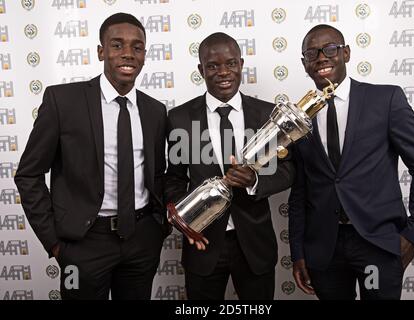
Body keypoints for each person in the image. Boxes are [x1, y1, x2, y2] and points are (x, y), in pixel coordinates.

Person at [14, 13, 170, 300]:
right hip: (82, 246)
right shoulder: (63, 101)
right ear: (101, 51)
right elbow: (28, 174)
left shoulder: (155, 111)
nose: (128, 54)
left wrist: (157, 229)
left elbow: (157, 174)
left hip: (141, 241)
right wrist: (56, 244)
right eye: (117, 45)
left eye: (137, 47)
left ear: (145, 55)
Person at [288, 24, 414, 300]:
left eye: (330, 49)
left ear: (345, 53)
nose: (321, 57)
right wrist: (298, 251)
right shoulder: (299, 119)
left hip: (378, 244)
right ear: (304, 64)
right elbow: (300, 190)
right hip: (324, 249)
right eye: (312, 53)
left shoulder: (385, 99)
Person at [164, 32, 295, 300]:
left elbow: (288, 170)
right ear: (201, 69)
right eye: (213, 66)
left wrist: (254, 181)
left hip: (255, 245)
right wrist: (187, 219)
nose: (223, 72)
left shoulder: (266, 115)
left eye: (231, 63)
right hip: (203, 244)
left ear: (241, 64)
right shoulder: (179, 118)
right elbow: (174, 179)